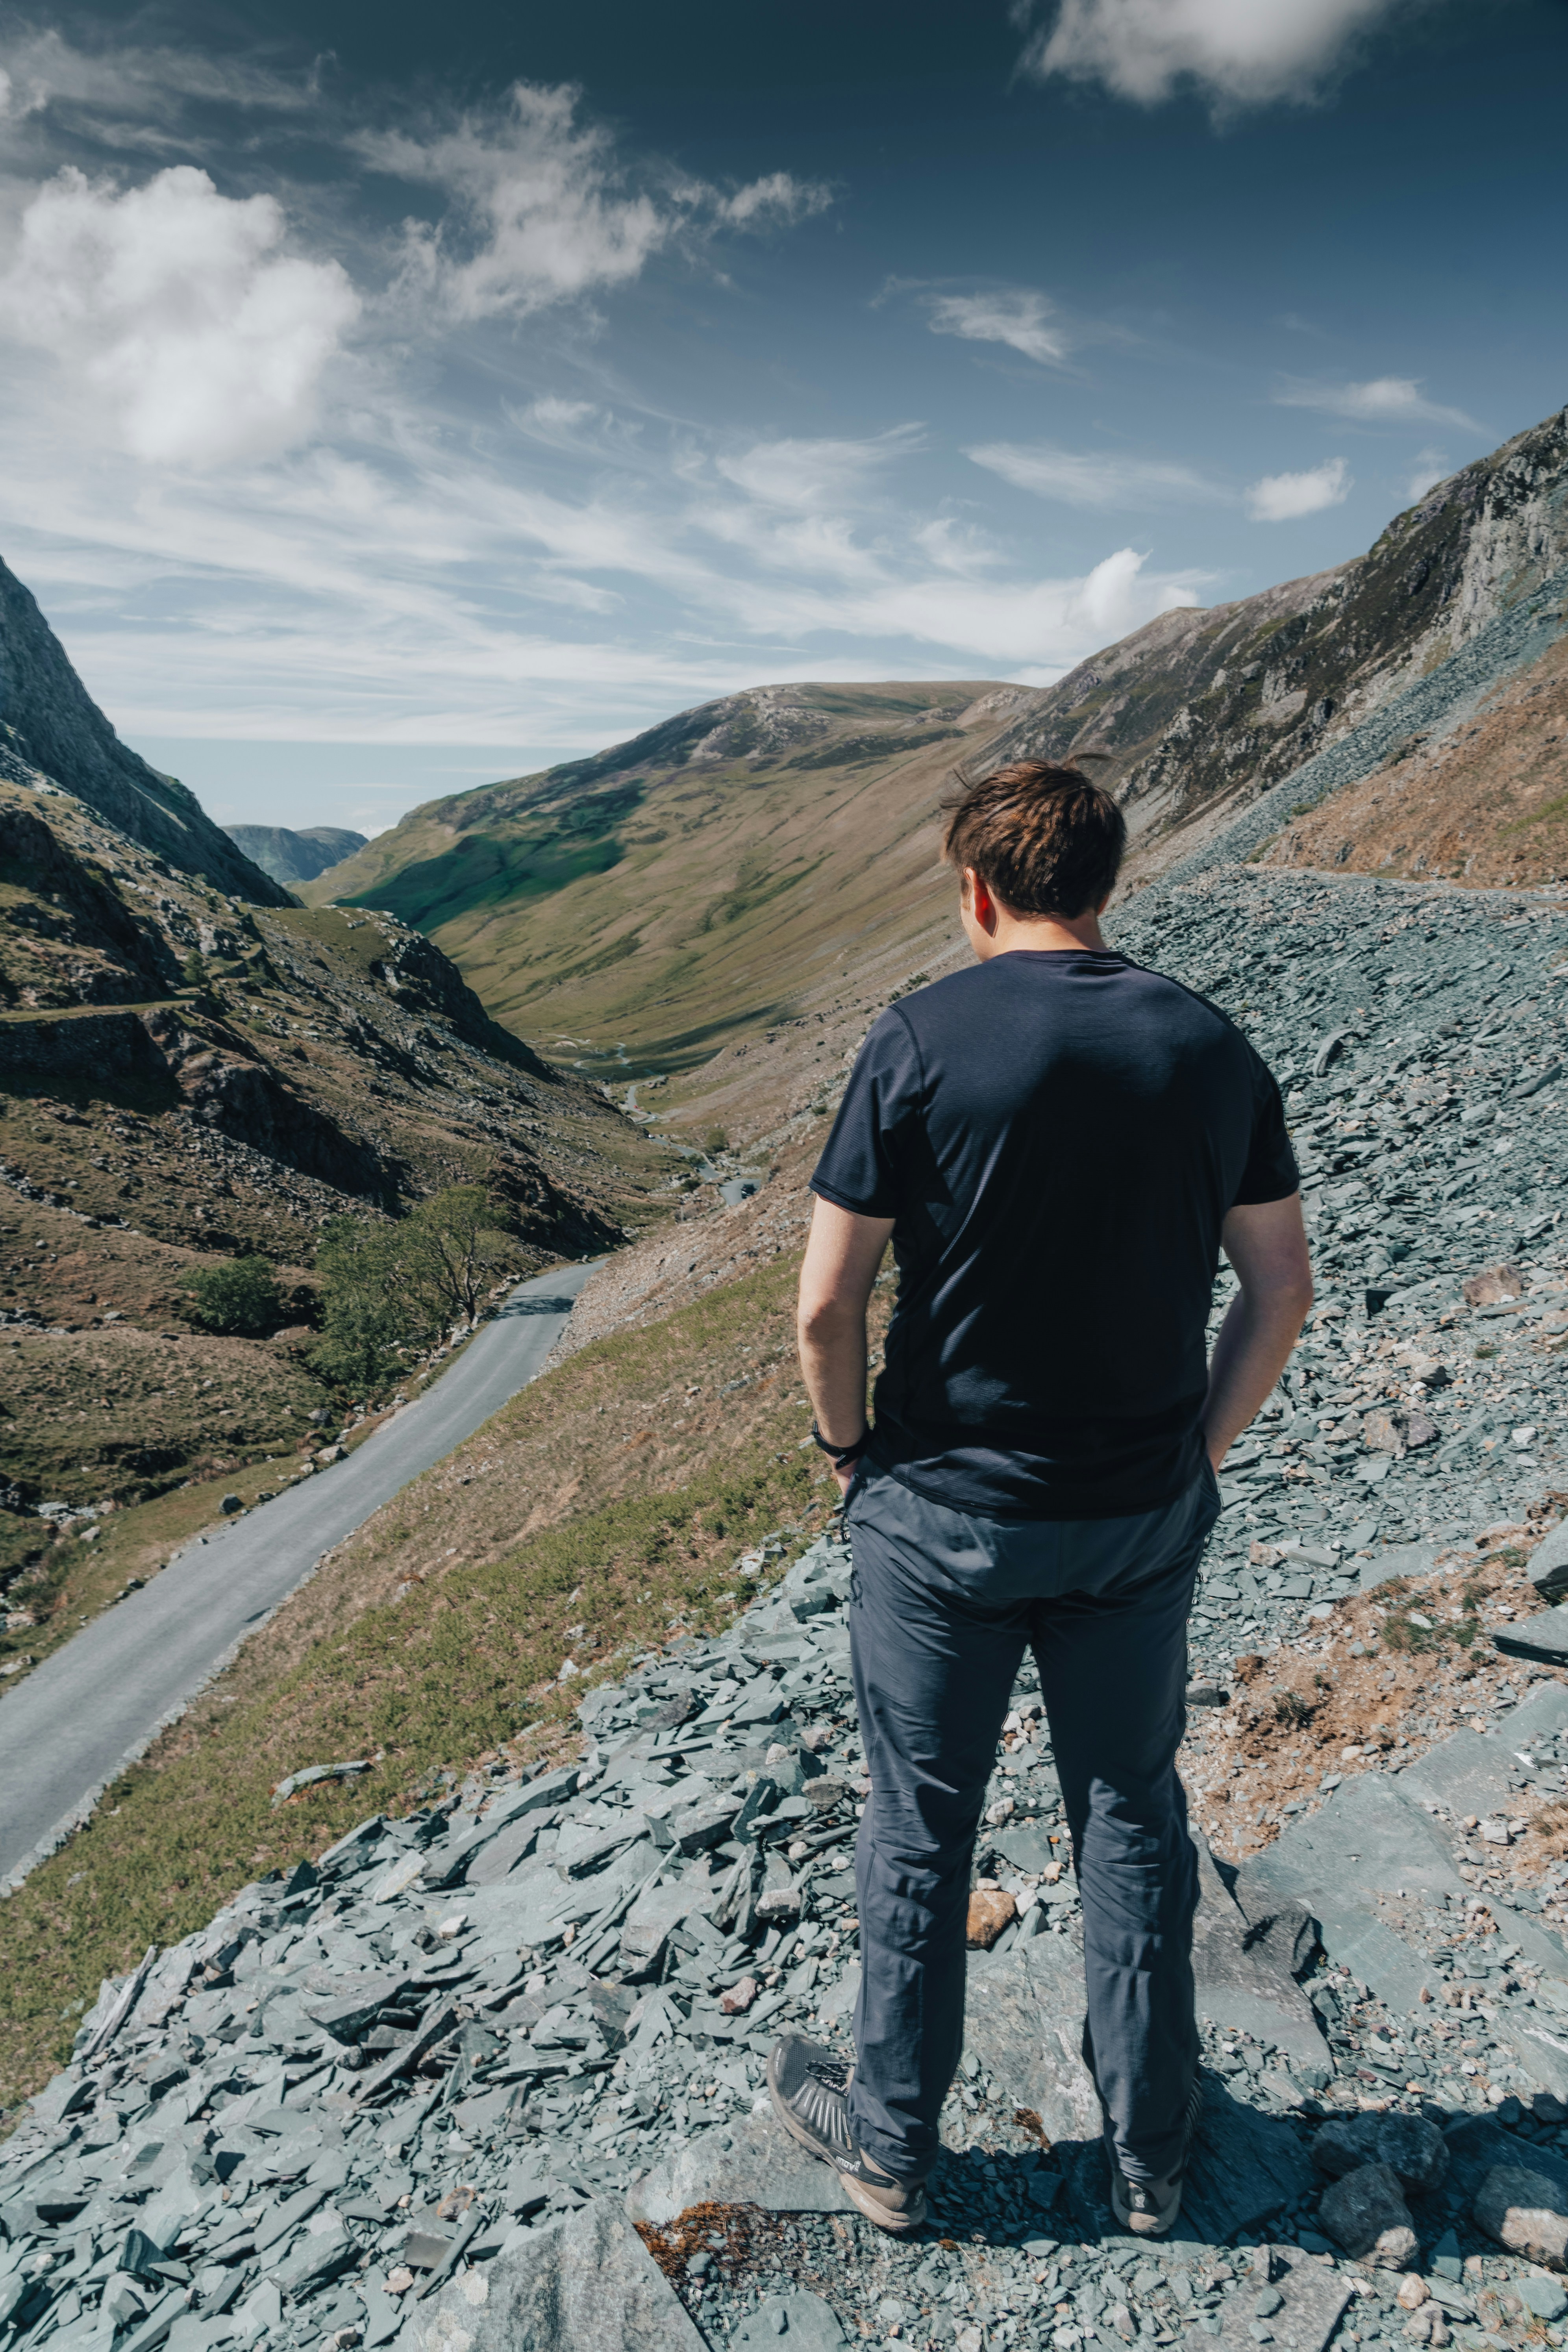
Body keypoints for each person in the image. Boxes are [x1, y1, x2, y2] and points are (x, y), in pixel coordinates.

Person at [766, 760, 1312, 2239]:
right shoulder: (1208, 1047)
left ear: (975, 890)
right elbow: (1281, 1289)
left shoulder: (921, 1040)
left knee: (920, 1824)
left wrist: (848, 1455)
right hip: (1135, 1511)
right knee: (1132, 1813)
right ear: (1107, 882)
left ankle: (889, 2151)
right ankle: (1153, 2157)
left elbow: (829, 1307)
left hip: (940, 1514)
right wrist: (1193, 1454)